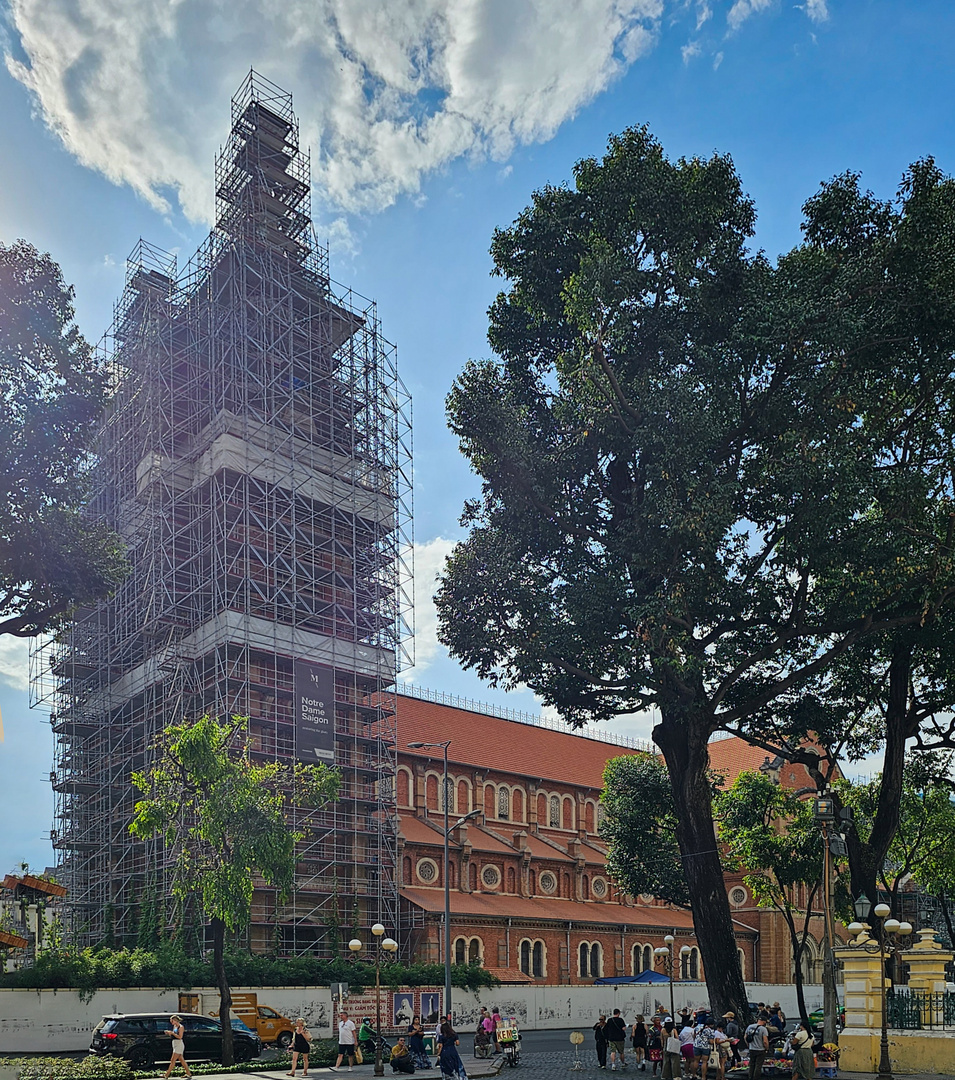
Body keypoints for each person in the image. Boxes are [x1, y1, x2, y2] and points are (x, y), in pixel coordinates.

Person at [163, 1015, 191, 1080]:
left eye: (172, 1021)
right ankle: (188, 1073)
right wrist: (169, 1033)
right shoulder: (175, 1026)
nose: (171, 1022)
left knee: (173, 1060)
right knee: (181, 1060)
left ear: (175, 1020)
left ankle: (166, 1075)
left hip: (179, 1044)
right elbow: (175, 1034)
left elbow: (180, 1036)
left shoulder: (181, 1027)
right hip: (175, 1043)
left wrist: (172, 1033)